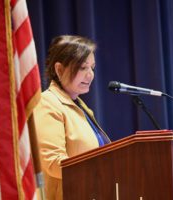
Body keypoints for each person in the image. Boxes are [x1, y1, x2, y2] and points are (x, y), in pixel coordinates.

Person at [34, 35, 111, 200]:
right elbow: (53, 163)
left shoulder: (82, 107)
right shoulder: (48, 103)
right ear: (59, 69)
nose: (90, 75)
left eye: (92, 67)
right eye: (83, 67)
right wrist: (98, 172)